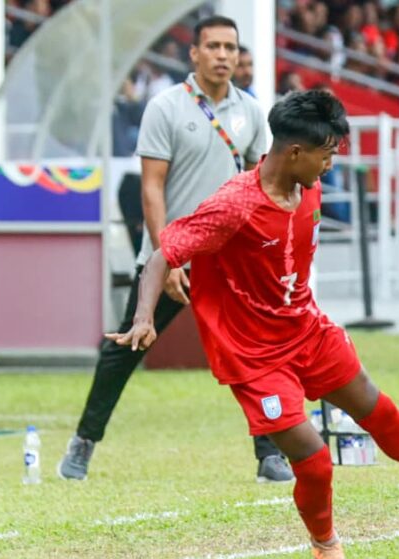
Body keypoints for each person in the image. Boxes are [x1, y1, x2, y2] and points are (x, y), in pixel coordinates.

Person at [107, 90, 399, 559]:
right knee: (313, 458)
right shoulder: (234, 205)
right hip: (253, 355)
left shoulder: (308, 186)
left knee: (378, 409)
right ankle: (326, 545)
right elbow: (163, 256)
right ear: (295, 152)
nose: (331, 165)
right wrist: (144, 318)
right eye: (327, 154)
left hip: (307, 330)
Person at [58, 16, 286, 483]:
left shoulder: (251, 111)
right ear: (194, 54)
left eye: (230, 47)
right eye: (213, 46)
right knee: (126, 347)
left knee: (256, 352)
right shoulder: (165, 107)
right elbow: (152, 189)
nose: (223, 55)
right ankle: (83, 442)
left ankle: (269, 454)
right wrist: (170, 255)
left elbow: (258, 185)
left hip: (229, 260)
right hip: (168, 255)